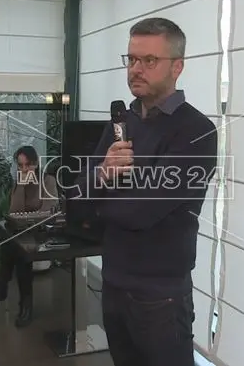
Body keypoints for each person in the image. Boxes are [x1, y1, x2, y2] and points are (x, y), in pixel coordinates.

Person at [70, 18, 218, 366]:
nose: (136, 69)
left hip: (160, 298)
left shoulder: (196, 131)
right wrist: (105, 174)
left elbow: (140, 212)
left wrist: (99, 193)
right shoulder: (122, 121)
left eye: (149, 60)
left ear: (177, 67)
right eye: (132, 59)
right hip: (114, 283)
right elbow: (75, 201)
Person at [0, 146, 58, 327]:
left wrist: (28, 218)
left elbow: (47, 212)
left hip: (42, 231)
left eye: (28, 165)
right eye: (20, 166)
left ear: (36, 164)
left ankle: (2, 288)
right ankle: (25, 305)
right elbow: (14, 211)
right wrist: (22, 185)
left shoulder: (48, 180)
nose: (24, 169)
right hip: (24, 231)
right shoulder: (19, 181)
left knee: (17, 246)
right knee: (17, 245)